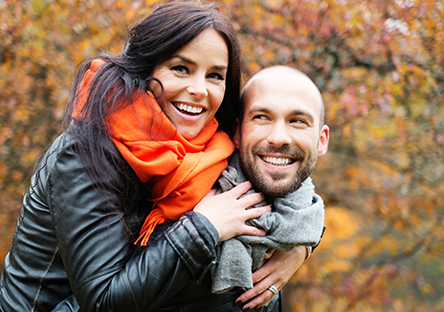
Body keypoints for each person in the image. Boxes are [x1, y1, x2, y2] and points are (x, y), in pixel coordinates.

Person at [0, 3, 275, 312]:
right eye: (180, 68)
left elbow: (289, 176)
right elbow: (104, 300)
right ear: (145, 69)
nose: (199, 89)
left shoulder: (213, 147)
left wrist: (296, 249)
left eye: (214, 76)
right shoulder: (84, 152)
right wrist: (204, 228)